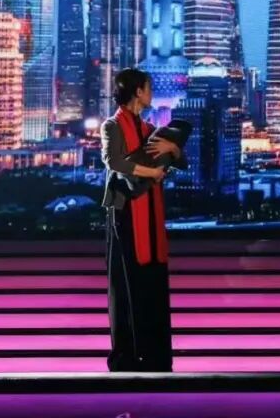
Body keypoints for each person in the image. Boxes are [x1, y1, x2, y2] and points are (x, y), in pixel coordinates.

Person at [101, 68, 187, 371]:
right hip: (124, 212)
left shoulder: (149, 128)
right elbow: (114, 161)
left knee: (153, 284)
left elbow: (179, 160)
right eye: (148, 88)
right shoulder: (112, 125)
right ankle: (126, 358)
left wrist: (172, 148)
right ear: (137, 92)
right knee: (126, 284)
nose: (151, 93)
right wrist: (152, 171)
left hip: (150, 209)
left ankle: (156, 357)